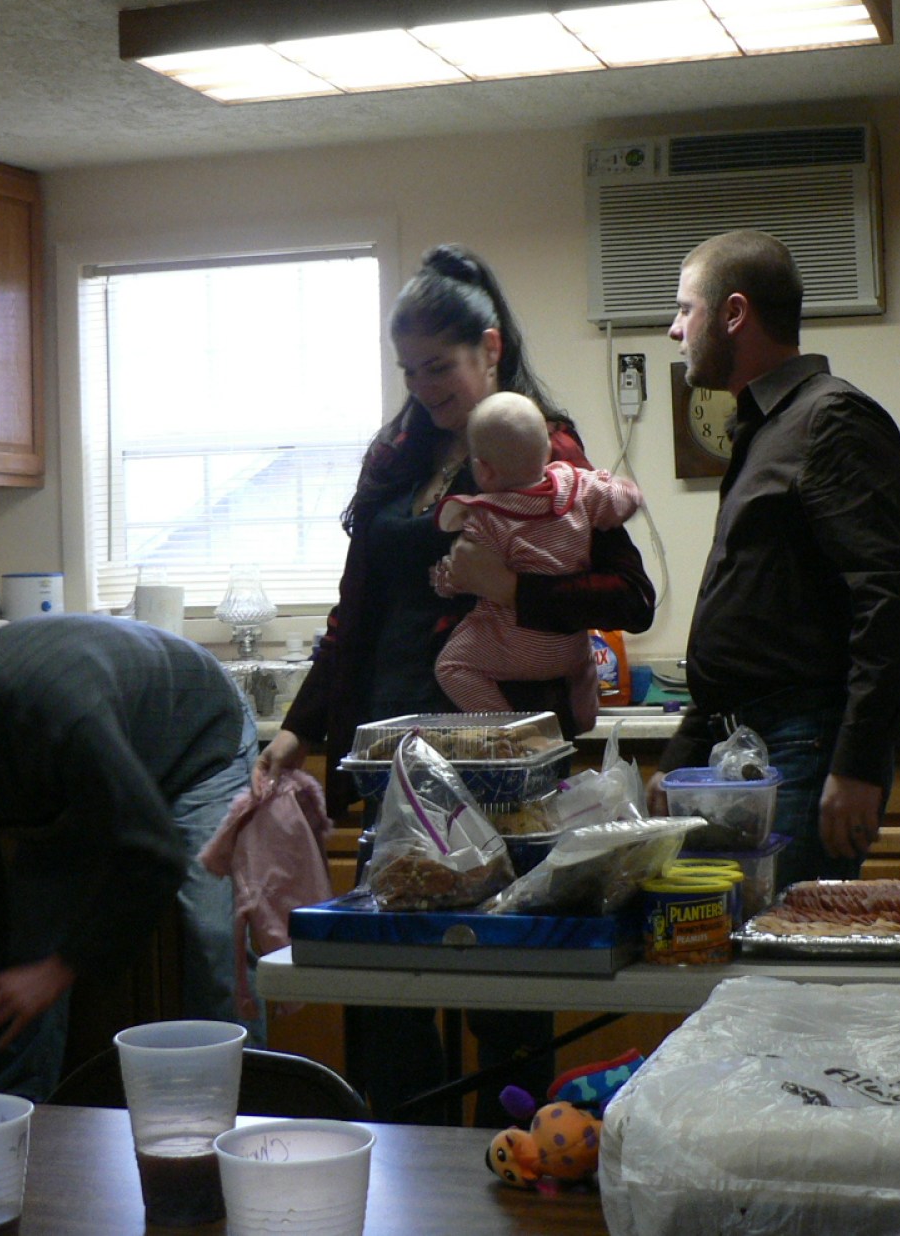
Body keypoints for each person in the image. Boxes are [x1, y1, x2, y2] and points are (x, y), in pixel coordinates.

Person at [258, 244, 655, 1124]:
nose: (423, 387)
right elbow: (356, 609)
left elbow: (629, 596)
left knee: (503, 995)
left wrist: (511, 587)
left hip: (501, 767)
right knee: (387, 995)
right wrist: (297, 726)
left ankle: (511, 1165)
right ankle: (410, 1175)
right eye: (409, 370)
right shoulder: (398, 456)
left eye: (438, 367)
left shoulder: (540, 446)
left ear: (490, 347)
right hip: (392, 760)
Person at [0, 614, 260, 1101]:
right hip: (84, 778)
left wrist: (61, 969)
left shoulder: (62, 715)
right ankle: (14, 1110)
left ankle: (250, 1107)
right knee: (27, 957)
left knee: (214, 937)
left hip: (197, 738)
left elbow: (155, 853)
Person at [652, 229, 900, 890]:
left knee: (787, 945)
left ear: (734, 313)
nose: (675, 330)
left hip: (805, 747)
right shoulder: (767, 429)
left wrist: (858, 763)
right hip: (749, 746)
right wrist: (683, 754)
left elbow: (895, 595)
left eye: (685, 309)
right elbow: (754, 615)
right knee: (742, 943)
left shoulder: (830, 419)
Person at [432, 391, 644, 730]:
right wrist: (627, 492)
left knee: (451, 666)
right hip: (566, 648)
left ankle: (512, 728)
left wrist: (444, 580)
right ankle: (585, 716)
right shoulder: (579, 489)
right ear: (546, 450)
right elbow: (620, 499)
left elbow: (464, 572)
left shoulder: (486, 517)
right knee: (584, 658)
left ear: (483, 470)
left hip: (513, 648)